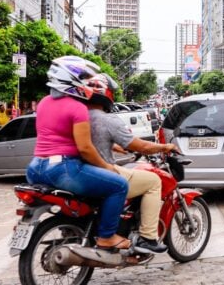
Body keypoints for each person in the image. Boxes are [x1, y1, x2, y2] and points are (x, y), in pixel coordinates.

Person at [25, 56, 130, 250]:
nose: (87, 83)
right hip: (62, 169)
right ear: (70, 79)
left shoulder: (43, 103)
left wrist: (113, 147)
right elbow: (85, 148)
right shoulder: (77, 107)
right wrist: (108, 167)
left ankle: (79, 228)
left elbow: (60, 134)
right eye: (83, 77)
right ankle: (107, 236)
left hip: (35, 168)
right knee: (119, 185)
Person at [84, 73, 179, 254]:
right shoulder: (108, 120)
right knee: (153, 181)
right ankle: (148, 237)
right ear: (108, 95)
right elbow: (141, 145)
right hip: (102, 172)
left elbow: (88, 143)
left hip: (81, 171)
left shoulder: (78, 117)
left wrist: (115, 147)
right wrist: (164, 146)